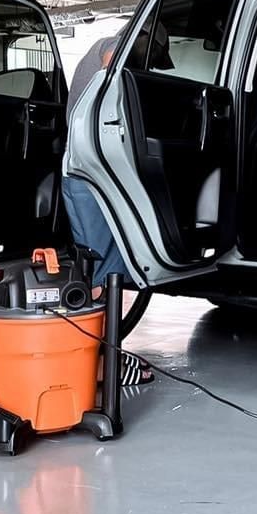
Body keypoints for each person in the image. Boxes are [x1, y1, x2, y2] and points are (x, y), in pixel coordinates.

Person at [62, 30, 161, 385]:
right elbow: (112, 66)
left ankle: (105, 357)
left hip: (98, 174)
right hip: (88, 177)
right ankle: (98, 366)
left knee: (108, 274)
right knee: (100, 277)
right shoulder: (111, 46)